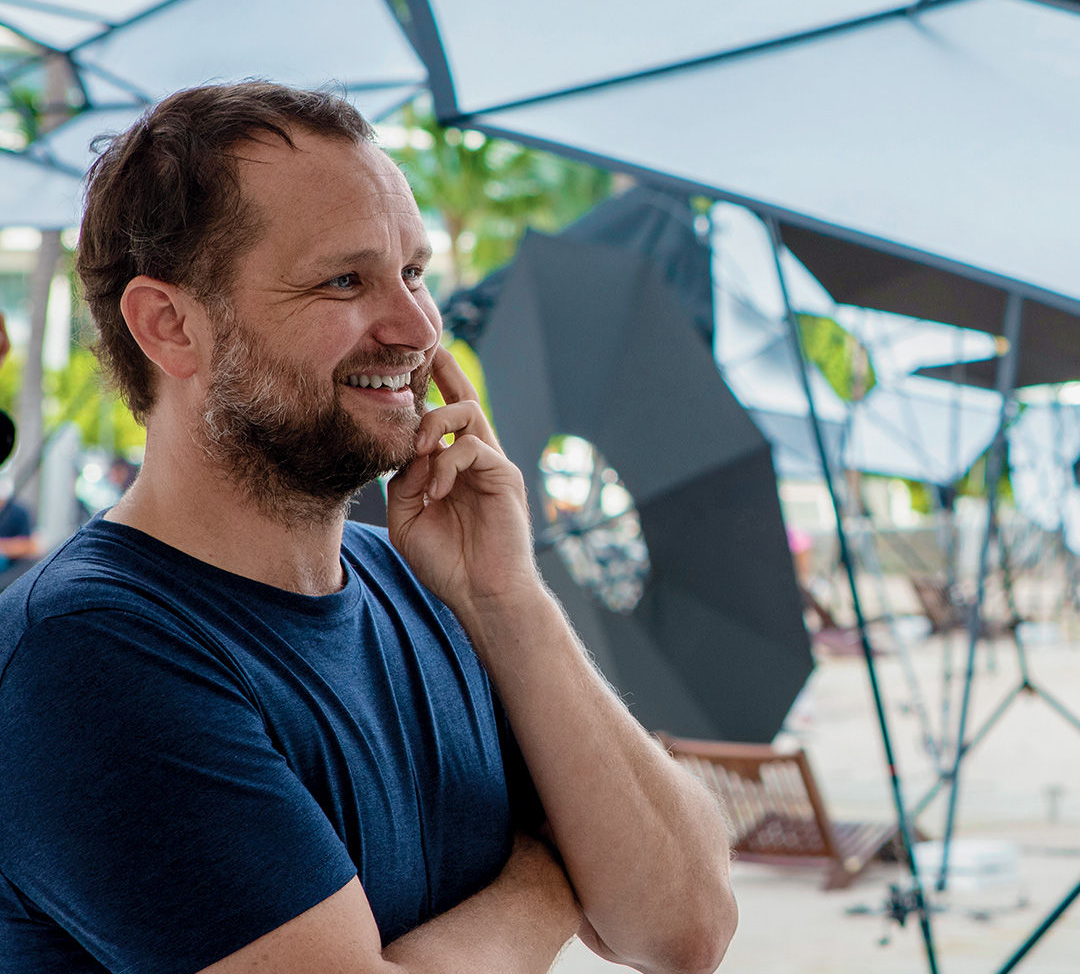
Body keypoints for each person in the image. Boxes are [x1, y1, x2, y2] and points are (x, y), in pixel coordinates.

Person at [0, 82, 736, 974]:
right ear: (170, 326)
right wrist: (550, 878)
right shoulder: (86, 652)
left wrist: (507, 599)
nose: (417, 328)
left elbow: (686, 927)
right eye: (344, 280)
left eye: (414, 273)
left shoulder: (426, 583)